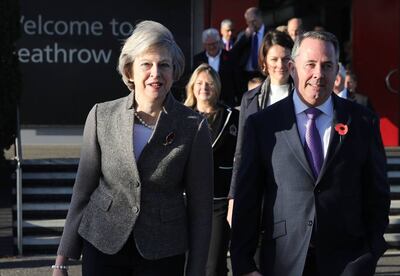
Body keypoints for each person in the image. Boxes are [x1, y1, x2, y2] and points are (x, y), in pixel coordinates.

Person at [52, 20, 213, 276]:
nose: (155, 73)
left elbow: (200, 207)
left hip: (162, 252)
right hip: (103, 244)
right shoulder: (101, 116)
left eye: (164, 65)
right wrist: (62, 259)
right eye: (146, 64)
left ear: (174, 71)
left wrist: (196, 270)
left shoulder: (193, 127)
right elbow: (83, 189)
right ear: (130, 71)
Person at [230, 31, 390, 276]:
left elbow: (377, 195)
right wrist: (244, 266)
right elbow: (247, 199)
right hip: (282, 261)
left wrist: (370, 254)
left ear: (337, 71)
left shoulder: (362, 121)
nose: (318, 74)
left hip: (347, 262)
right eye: (311, 65)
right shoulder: (263, 125)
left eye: (327, 66)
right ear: (293, 68)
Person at [227, 30, 294, 226]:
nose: (280, 65)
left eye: (285, 58)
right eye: (274, 59)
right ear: (264, 61)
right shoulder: (250, 99)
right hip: (256, 186)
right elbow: (240, 151)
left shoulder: (302, 97)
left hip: (292, 190)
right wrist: (233, 198)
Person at [185, 63, 239, 276]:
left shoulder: (231, 116)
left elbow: (239, 156)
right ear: (192, 87)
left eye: (208, 83)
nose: (203, 87)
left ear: (216, 87)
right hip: (187, 201)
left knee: (214, 265)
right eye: (199, 83)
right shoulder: (181, 115)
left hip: (219, 201)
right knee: (188, 262)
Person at [231, 7, 268, 102]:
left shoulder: (269, 33)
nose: (251, 25)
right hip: (246, 74)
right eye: (248, 22)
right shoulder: (244, 35)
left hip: (263, 72)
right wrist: (245, 37)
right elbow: (233, 52)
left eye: (254, 21)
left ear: (260, 18)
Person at [193, 28, 238, 107]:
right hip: (205, 102)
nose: (212, 47)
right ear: (204, 44)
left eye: (214, 43)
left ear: (219, 42)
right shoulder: (197, 59)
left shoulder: (230, 57)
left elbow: (237, 80)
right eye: (208, 44)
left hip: (226, 102)